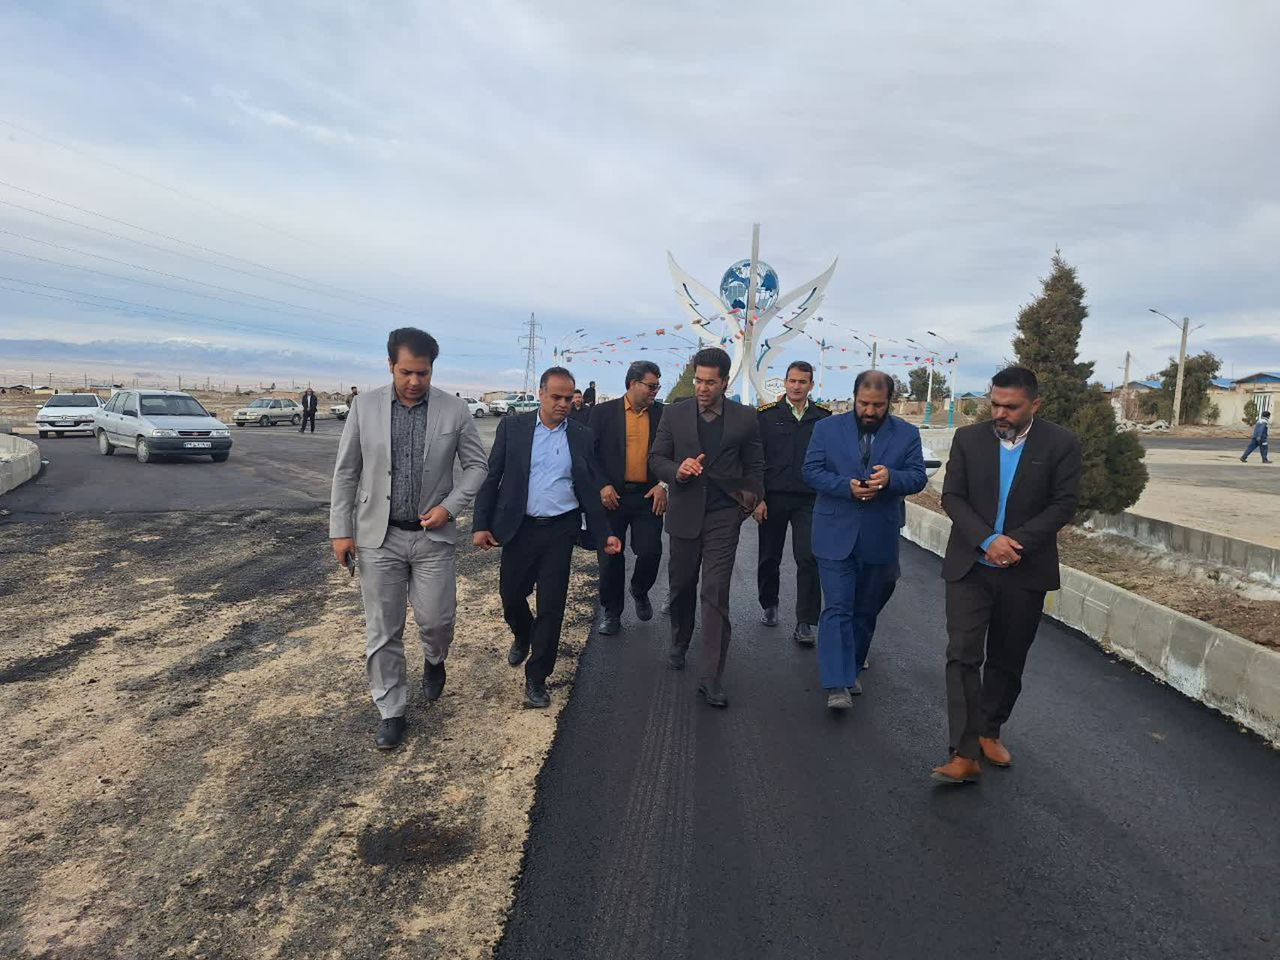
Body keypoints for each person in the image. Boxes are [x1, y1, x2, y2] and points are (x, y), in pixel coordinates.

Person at [329, 328, 488, 751]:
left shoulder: (454, 410)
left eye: (423, 373)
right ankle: (391, 710)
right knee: (384, 629)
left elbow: (477, 467)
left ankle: (435, 659)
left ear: (432, 369)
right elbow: (346, 472)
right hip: (377, 537)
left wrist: (449, 507)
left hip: (432, 538)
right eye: (406, 372)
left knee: (437, 621)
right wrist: (341, 530)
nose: (415, 381)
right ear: (390, 366)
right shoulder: (364, 407)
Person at [931, 366, 1082, 784]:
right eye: (995, 404)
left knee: (1008, 658)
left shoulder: (1061, 444)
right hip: (970, 566)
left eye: (1011, 407)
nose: (1000, 413)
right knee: (962, 655)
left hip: (1024, 569)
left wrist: (1013, 544)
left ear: (1035, 405)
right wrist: (987, 541)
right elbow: (952, 497)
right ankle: (963, 752)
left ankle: (989, 729)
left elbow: (1063, 504)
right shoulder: (969, 439)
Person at [473, 367, 621, 709]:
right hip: (520, 528)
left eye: (569, 398)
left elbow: (589, 488)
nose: (564, 404)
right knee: (511, 596)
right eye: (556, 397)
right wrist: (480, 524)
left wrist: (605, 535)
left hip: (560, 531)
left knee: (552, 607)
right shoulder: (513, 428)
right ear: (540, 394)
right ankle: (523, 633)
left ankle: (537, 677)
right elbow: (492, 477)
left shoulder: (581, 435)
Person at [803, 371, 926, 710]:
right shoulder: (826, 429)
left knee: (865, 609)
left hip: (879, 535)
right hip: (834, 534)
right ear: (854, 398)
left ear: (890, 403)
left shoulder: (907, 434)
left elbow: (917, 477)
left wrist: (891, 479)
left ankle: (852, 667)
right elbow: (811, 471)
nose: (869, 411)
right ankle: (837, 683)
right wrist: (846, 487)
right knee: (837, 606)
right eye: (863, 404)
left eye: (878, 405)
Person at [649, 347, 763, 708]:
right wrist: (677, 471)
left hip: (723, 518)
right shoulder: (674, 413)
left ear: (725, 382)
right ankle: (679, 639)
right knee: (682, 586)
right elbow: (656, 459)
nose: (701, 387)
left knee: (715, 592)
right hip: (684, 513)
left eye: (710, 382)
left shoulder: (745, 418)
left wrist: (746, 504)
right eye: (698, 380)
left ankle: (711, 676)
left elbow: (755, 466)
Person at [588, 361, 667, 635]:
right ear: (633, 383)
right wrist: (602, 485)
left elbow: (674, 452)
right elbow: (589, 456)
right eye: (651, 386)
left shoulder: (663, 415)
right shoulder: (602, 414)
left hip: (649, 496)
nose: (655, 391)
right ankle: (612, 613)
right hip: (612, 498)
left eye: (657, 386)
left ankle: (639, 589)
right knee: (611, 557)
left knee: (650, 552)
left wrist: (664, 485)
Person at [755, 360, 831, 642]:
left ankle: (805, 622)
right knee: (769, 556)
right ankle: (769, 604)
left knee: (808, 557)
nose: (796, 386)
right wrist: (758, 498)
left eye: (802, 382)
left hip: (809, 499)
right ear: (785, 382)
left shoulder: (823, 418)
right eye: (792, 381)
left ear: (811, 385)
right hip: (773, 497)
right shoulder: (765, 416)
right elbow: (756, 459)